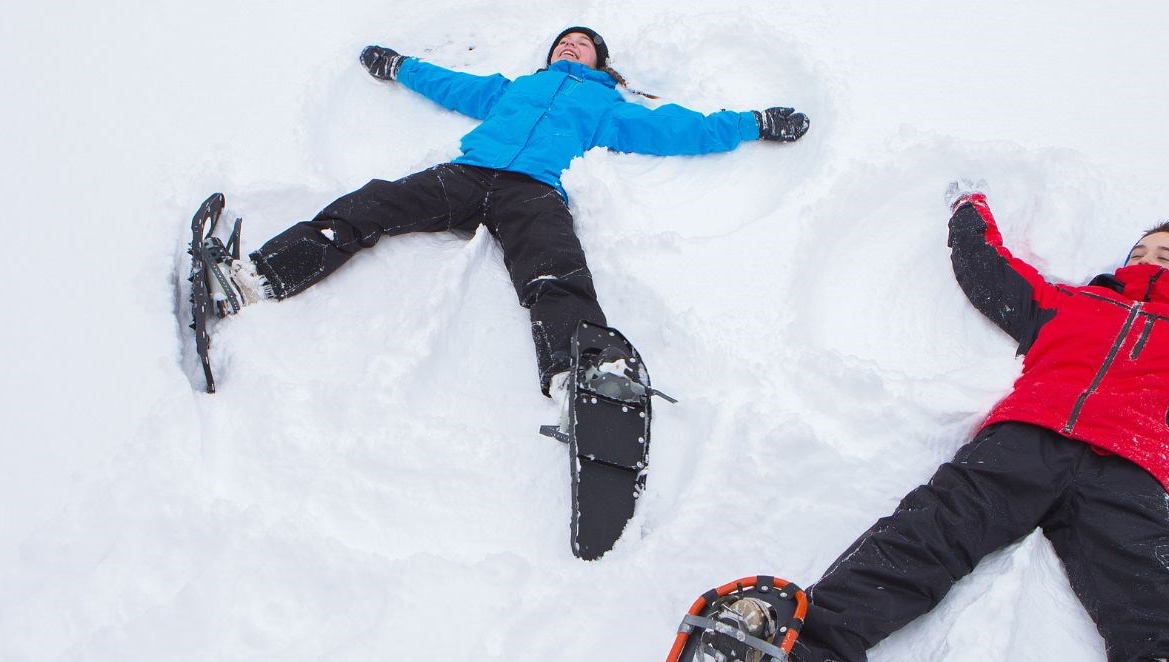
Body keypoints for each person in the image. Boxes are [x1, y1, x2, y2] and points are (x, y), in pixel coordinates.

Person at [692, 181, 1169, 662]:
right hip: (1023, 441)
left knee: (1162, 610)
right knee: (920, 540)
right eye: (1145, 245)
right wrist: (969, 209)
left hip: (1128, 472)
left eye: (1167, 253)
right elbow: (991, 274)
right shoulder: (1070, 304)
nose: (1152, 255)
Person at [212, 27, 810, 396]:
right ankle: (261, 276)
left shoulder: (607, 106)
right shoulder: (513, 88)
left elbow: (683, 129)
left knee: (555, 271)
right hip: (467, 176)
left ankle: (583, 376)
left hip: (534, 191)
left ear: (602, 63)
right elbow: (449, 83)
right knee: (372, 203)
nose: (570, 46)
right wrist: (400, 66)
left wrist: (754, 124)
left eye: (582, 44)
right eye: (563, 42)